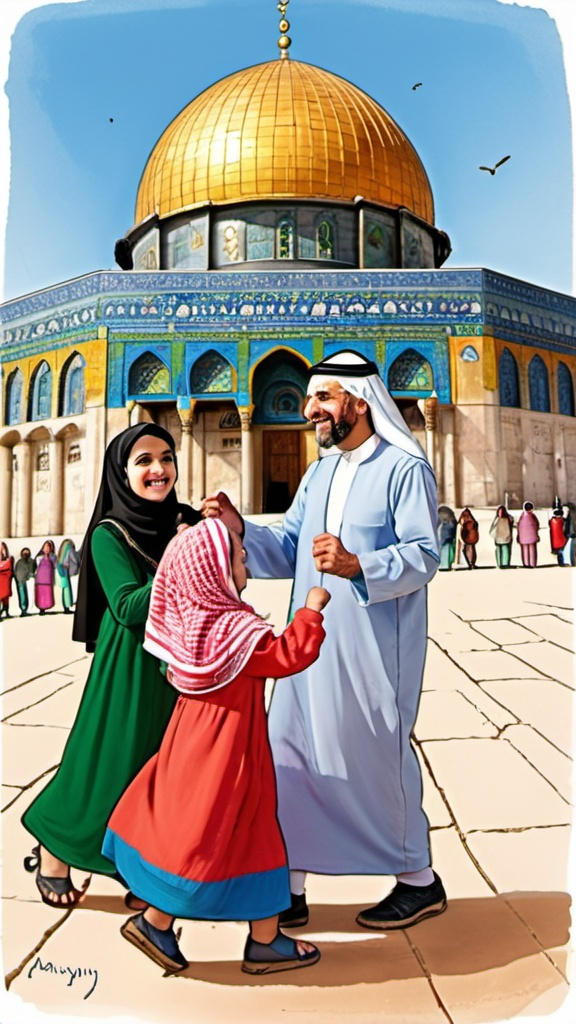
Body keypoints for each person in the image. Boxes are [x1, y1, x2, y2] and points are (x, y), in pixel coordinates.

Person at [203, 350, 446, 932]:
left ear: (360, 403)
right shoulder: (321, 472)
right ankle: (289, 883)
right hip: (305, 642)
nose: (309, 410)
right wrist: (240, 528)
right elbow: (290, 546)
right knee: (290, 752)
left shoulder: (403, 469)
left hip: (369, 644)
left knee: (374, 751)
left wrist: (360, 564)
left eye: (323, 398)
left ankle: (418, 879)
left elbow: (424, 555)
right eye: (310, 399)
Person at [104, 518, 328, 975]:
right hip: (228, 753)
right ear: (211, 571)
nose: (245, 558)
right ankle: (157, 920)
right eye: (237, 555)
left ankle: (263, 938)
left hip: (193, 743)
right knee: (213, 831)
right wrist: (310, 612)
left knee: (242, 830)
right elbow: (286, 655)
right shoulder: (234, 630)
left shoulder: (196, 626)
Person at [21, 424, 201, 909]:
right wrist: (181, 558)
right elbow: (126, 606)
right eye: (143, 461)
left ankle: (134, 861)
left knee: (157, 769)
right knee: (107, 762)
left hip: (179, 663)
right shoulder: (109, 533)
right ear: (121, 473)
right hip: (130, 668)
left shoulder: (184, 519)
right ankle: (55, 845)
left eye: (166, 457)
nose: (158, 469)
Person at [55, 538, 80, 613]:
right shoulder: (70, 550)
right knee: (67, 590)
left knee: (64, 590)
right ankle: (67, 606)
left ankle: (66, 606)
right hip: (66, 571)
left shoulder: (61, 554)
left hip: (61, 571)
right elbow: (75, 560)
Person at [34, 540, 56, 614]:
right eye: (45, 547)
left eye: (49, 547)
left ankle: (46, 606)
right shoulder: (39, 558)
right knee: (41, 594)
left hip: (48, 579)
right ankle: (41, 608)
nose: (47, 549)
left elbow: (55, 566)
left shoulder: (53, 557)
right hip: (40, 580)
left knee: (47, 594)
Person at [14, 548, 37, 616]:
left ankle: (28, 609)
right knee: (22, 595)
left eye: (27, 552)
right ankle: (23, 610)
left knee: (30, 594)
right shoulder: (19, 562)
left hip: (30, 580)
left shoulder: (32, 561)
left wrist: (31, 575)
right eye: (24, 552)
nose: (26, 553)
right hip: (21, 581)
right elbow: (17, 572)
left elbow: (34, 569)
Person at [517, 500, 540, 568]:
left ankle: (526, 563)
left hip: (523, 537)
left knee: (525, 550)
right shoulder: (533, 516)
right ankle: (532, 563)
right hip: (532, 536)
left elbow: (519, 526)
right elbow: (537, 524)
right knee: (532, 549)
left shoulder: (522, 517)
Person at [437, 506, 457, 570]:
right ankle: (445, 564)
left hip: (446, 538)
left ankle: (444, 565)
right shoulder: (449, 519)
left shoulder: (443, 514)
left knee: (446, 547)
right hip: (447, 537)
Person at [0, 542, 14, 619]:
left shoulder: (9, 559)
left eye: (3, 548)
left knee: (6, 596)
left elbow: (8, 567)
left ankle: (6, 611)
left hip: (6, 580)